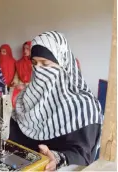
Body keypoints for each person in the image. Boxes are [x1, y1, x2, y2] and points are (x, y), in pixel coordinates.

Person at [10, 31, 103, 171]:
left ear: (63, 64)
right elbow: (13, 134)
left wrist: (57, 158)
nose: (38, 70)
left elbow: (83, 155)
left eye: (45, 64)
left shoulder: (83, 106)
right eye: (34, 63)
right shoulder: (26, 97)